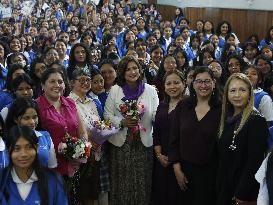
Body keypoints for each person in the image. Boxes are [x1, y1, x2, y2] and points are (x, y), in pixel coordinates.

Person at [104, 56, 159, 205]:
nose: (132, 71)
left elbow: (156, 113)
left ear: (140, 70)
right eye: (128, 69)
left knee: (142, 182)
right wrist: (122, 122)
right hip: (120, 145)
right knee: (122, 184)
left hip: (143, 143)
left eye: (135, 68)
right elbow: (107, 116)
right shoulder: (115, 90)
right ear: (122, 72)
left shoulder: (150, 90)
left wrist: (152, 116)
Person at [169, 66, 221, 205]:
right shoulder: (183, 106)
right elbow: (174, 139)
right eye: (199, 81)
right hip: (184, 171)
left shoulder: (222, 108)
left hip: (212, 173)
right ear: (193, 84)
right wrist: (176, 167)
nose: (203, 85)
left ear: (213, 83)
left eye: (207, 81)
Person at [36, 67, 88, 204]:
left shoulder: (70, 103)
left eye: (60, 81)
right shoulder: (36, 106)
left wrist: (81, 151)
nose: (57, 85)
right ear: (43, 85)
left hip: (73, 165)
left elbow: (82, 132)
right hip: (49, 168)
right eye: (52, 81)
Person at [217, 73, 268, 205]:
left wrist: (242, 192)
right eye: (233, 90)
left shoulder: (256, 120)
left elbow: (255, 162)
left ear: (250, 94)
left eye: (242, 90)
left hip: (243, 192)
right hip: (226, 186)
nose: (237, 95)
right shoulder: (227, 119)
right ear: (227, 95)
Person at [0, 125, 68, 205]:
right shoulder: (2, 180)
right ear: (8, 150)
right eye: (17, 149)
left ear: (37, 148)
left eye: (29, 147)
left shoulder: (53, 181)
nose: (23, 154)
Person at [153, 70, 185, 205]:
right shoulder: (162, 105)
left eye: (176, 83)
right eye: (169, 83)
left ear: (184, 84)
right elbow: (157, 132)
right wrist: (159, 155)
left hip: (182, 161)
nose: (172, 86)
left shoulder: (189, 106)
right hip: (162, 161)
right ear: (164, 87)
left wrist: (175, 160)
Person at [5, 98, 57, 168]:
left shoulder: (45, 136)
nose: (32, 122)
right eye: (26, 118)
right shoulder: (7, 140)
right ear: (15, 119)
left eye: (35, 117)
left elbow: (52, 166)